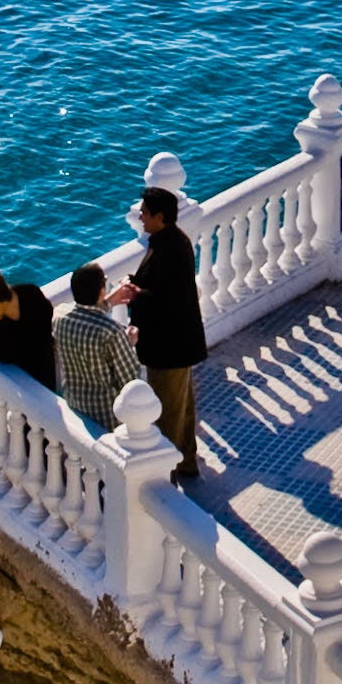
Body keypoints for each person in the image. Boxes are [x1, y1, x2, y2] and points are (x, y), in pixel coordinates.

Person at [107, 185, 207, 484]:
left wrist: (135, 292)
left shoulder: (168, 247)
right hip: (178, 343)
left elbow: (166, 299)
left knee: (167, 411)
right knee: (182, 407)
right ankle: (186, 460)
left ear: (159, 217)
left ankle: (170, 471)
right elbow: (163, 287)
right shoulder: (170, 241)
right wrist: (137, 284)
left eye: (145, 212)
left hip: (170, 345)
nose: (140, 215)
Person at [50, 262, 139, 433]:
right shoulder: (111, 332)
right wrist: (128, 344)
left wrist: (109, 301)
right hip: (107, 415)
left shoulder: (59, 316)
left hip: (75, 403)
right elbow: (129, 379)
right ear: (101, 291)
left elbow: (85, 317)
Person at [0, 266, 56, 383]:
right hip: (20, 377)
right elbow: (4, 356)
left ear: (4, 299)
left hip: (45, 361)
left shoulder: (31, 294)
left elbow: (46, 322)